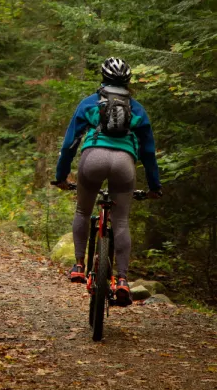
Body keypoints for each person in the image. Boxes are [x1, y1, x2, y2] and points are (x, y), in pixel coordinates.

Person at [53, 57, 162, 307]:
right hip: (124, 163)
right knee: (120, 220)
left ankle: (78, 266)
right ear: (128, 81)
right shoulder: (137, 109)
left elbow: (69, 144)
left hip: (93, 158)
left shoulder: (89, 103)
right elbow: (148, 152)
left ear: (102, 78)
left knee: (83, 211)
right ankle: (122, 280)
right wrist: (154, 186)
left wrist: (61, 176)